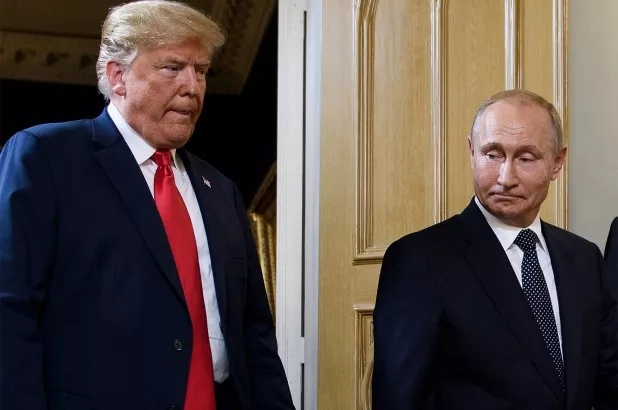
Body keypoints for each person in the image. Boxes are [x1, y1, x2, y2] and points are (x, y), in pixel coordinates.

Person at [0, 1, 295, 409]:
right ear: (117, 76)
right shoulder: (47, 157)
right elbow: (10, 311)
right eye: (172, 68)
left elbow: (254, 334)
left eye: (201, 71)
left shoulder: (220, 191)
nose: (192, 87)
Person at [372, 89, 618, 409]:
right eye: (493, 155)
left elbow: (608, 383)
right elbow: (400, 398)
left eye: (526, 158)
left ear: (557, 163)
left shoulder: (585, 260)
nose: (506, 177)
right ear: (472, 152)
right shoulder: (418, 261)